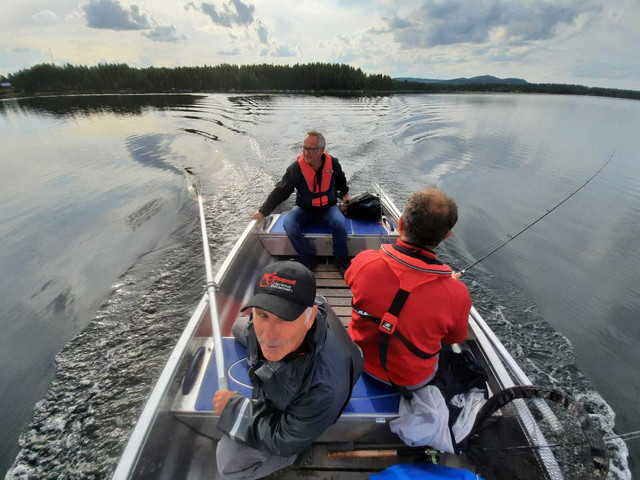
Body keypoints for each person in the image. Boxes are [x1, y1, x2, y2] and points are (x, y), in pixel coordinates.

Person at [213, 260, 364, 480]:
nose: (268, 334)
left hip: (308, 411)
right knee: (239, 326)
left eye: (284, 318)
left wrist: (234, 409)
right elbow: (254, 328)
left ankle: (292, 458)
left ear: (310, 318)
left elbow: (285, 437)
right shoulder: (273, 325)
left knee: (229, 461)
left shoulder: (325, 387)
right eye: (262, 314)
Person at [345, 188, 471, 393]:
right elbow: (452, 339)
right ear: (446, 236)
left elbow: (350, 279)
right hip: (413, 381)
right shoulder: (457, 294)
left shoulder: (364, 262)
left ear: (400, 223)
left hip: (359, 362)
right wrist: (448, 283)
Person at [251, 131, 351, 273]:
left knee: (340, 223)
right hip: (304, 209)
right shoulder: (296, 169)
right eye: (304, 148)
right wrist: (262, 212)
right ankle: (308, 259)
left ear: (321, 150)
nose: (306, 152)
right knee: (289, 224)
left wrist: (345, 194)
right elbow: (281, 191)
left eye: (311, 149)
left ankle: (340, 260)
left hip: (328, 208)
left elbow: (340, 179)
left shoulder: (333, 164)